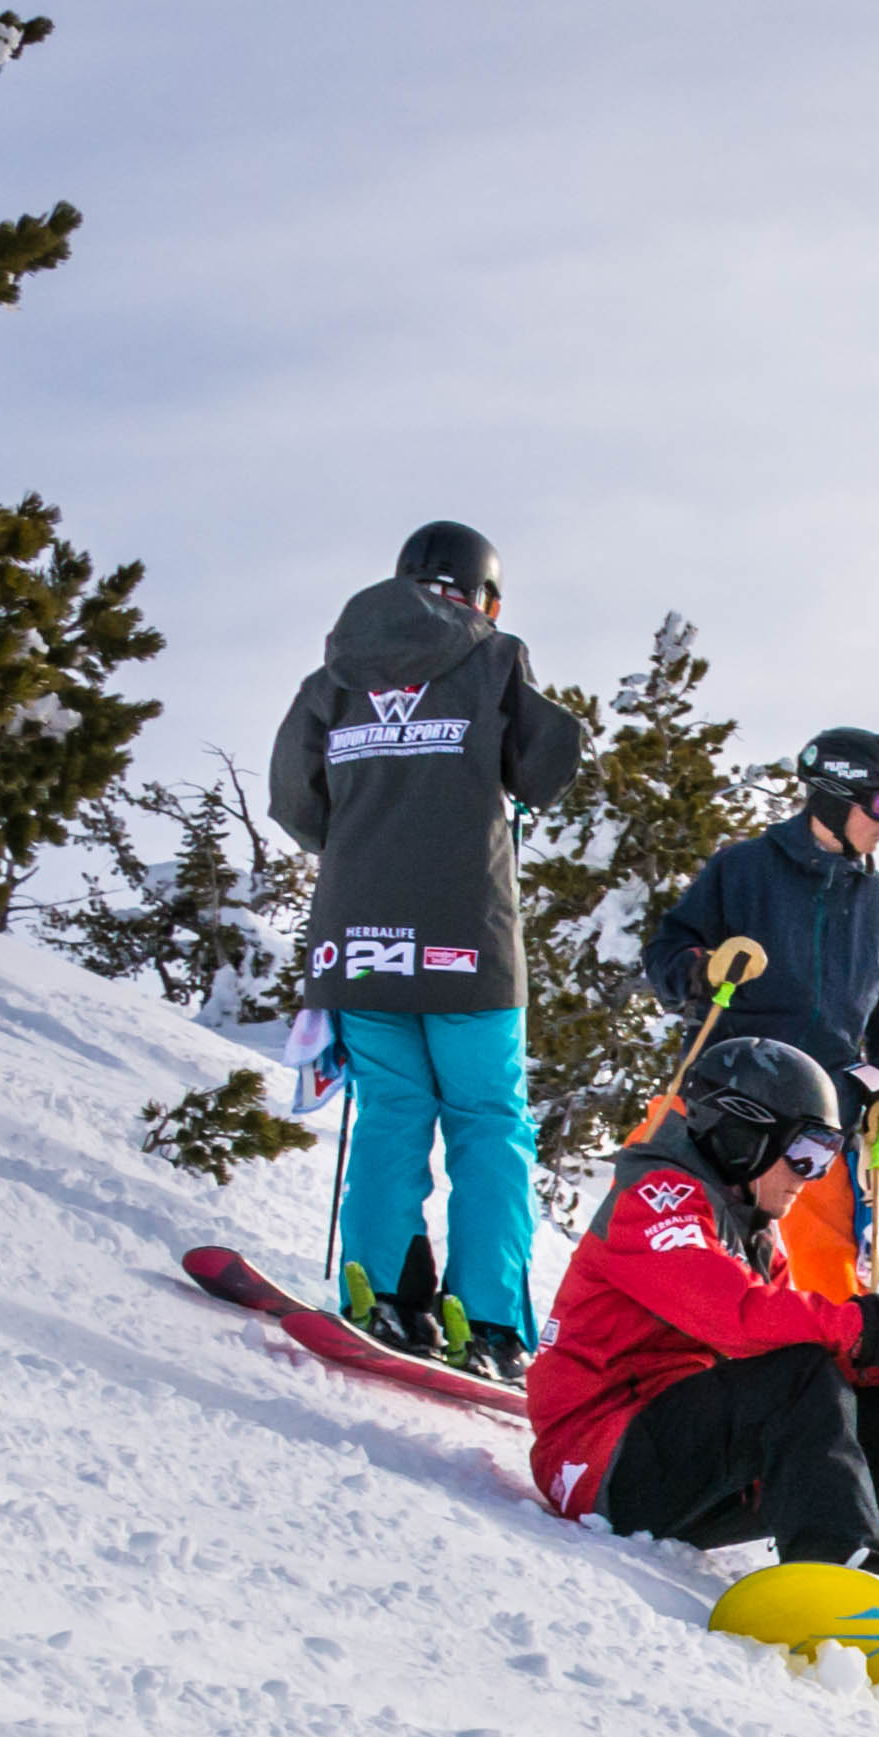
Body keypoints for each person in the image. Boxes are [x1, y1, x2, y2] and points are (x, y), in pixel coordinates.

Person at [524, 1037, 879, 1613]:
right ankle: (843, 1576)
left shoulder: (756, 1234)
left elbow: (800, 1356)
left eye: (827, 1159)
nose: (810, 1178)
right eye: (807, 1154)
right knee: (796, 1369)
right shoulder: (655, 1199)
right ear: (742, 1134)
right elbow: (739, 1319)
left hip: (686, 1465)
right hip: (598, 1462)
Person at [264, 520, 590, 1383]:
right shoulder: (493, 657)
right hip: (465, 937)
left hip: (359, 934)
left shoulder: (332, 676)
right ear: (485, 597)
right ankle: (487, 1319)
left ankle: (382, 1293)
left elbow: (297, 805)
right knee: (487, 1121)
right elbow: (549, 760)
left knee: (392, 1109)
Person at [642, 728, 879, 1301]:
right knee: (673, 1246)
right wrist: (703, 968)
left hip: (819, 1125)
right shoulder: (743, 870)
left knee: (825, 1286)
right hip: (723, 1110)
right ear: (832, 796)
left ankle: (823, 1385)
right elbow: (667, 952)